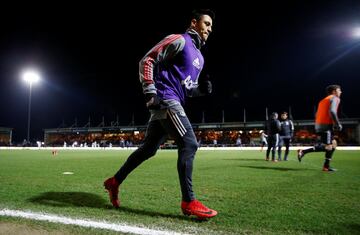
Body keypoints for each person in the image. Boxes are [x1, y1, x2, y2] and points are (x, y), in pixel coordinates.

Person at [103, 9, 217, 219]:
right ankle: (189, 201)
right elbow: (147, 60)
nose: (210, 29)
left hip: (173, 100)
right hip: (166, 99)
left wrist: (201, 90)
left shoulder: (199, 57)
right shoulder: (179, 40)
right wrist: (150, 91)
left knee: (148, 149)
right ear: (194, 23)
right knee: (190, 144)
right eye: (207, 23)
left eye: (211, 26)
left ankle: (114, 182)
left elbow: (188, 89)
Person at [297, 85, 342, 172]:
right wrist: (338, 123)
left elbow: (317, 114)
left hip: (319, 124)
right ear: (333, 91)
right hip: (326, 125)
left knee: (334, 144)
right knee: (329, 146)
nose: (341, 92)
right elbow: (332, 111)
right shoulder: (335, 98)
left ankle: (326, 166)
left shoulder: (322, 101)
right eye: (339, 90)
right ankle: (304, 152)